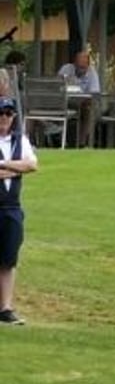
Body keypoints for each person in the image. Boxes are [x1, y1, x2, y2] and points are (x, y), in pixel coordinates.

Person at [0, 96, 38, 325]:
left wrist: (5, 166)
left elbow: (31, 165)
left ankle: (5, 307)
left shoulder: (19, 140)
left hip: (11, 207)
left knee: (8, 257)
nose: (4, 118)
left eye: (8, 114)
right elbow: (22, 167)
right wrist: (16, 168)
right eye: (1, 114)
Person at [56, 50, 101, 147]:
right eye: (78, 66)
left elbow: (94, 94)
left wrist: (84, 100)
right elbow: (56, 87)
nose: (80, 69)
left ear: (88, 65)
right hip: (63, 103)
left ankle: (82, 143)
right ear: (74, 63)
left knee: (88, 110)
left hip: (83, 104)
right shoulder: (66, 69)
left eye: (83, 67)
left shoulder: (92, 73)